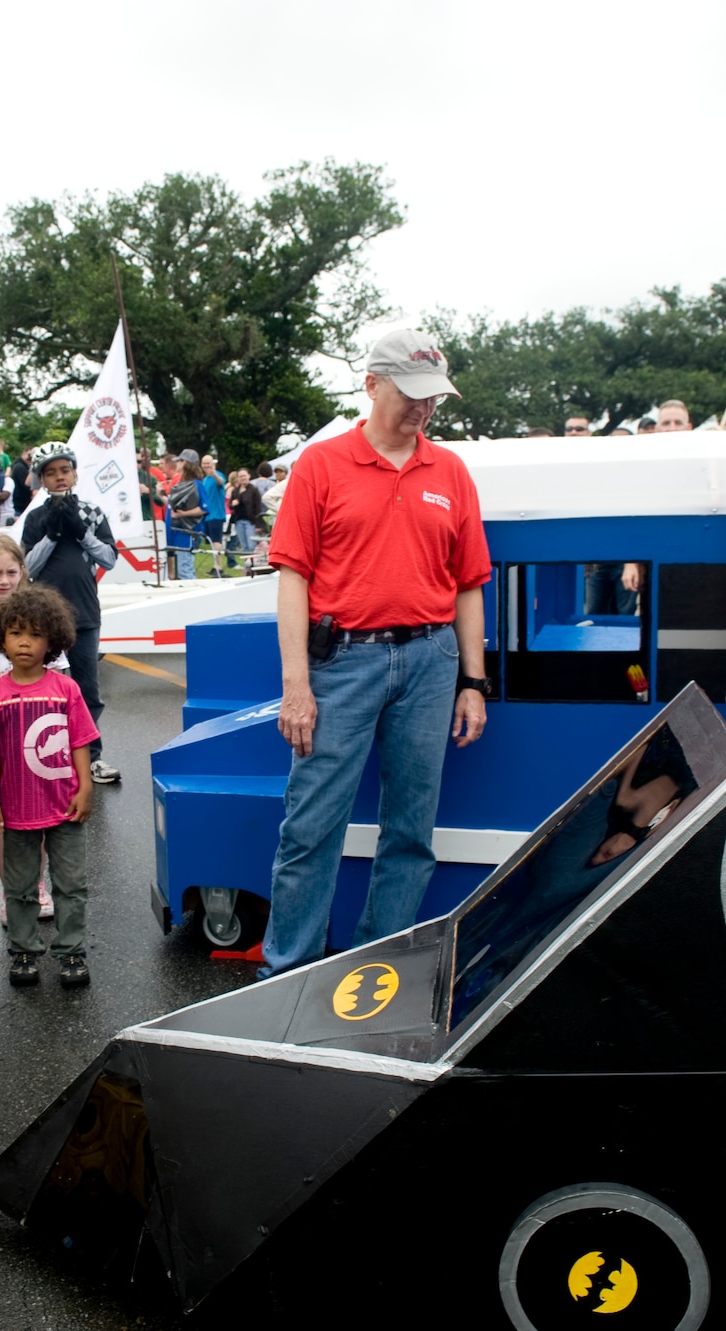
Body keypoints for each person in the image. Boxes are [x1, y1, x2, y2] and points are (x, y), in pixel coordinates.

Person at [260, 329, 491, 977]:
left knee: (412, 831)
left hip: (430, 660)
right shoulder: (321, 464)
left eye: (434, 399)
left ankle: (375, 967)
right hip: (343, 664)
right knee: (311, 826)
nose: (424, 410)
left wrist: (473, 678)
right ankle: (287, 972)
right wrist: (296, 683)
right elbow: (293, 578)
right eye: (412, 396)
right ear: (372, 386)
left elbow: (469, 581)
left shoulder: (449, 470)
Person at [0, 584, 97, 988]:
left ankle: (72, 951)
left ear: (53, 640)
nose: (24, 642)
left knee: (71, 884)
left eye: (34, 634)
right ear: (1, 639)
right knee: (20, 886)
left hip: (64, 805)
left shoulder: (66, 689)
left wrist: (85, 787)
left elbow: (80, 740)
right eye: (15, 633)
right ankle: (24, 951)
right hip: (16, 806)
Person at [0, 533, 69, 930]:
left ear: (23, 570)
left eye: (11, 571)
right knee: (3, 813)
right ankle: (13, 890)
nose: (4, 579)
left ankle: (35, 884)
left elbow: (58, 670)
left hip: (40, 733)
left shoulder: (39, 612)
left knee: (38, 810)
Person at [20, 442, 122, 784]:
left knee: (86, 689)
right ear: (41, 479)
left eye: (65, 470)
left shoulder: (92, 511)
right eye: (50, 473)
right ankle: (51, 755)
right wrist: (51, 534)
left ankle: (92, 757)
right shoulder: (35, 518)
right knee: (46, 687)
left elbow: (108, 558)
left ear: (75, 473)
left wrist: (81, 532)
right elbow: (27, 568)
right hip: (44, 617)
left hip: (84, 613)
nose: (59, 477)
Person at [163, 455, 205, 581]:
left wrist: (183, 514)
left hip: (187, 532)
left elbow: (204, 508)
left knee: (184, 569)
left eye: (181, 461)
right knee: (183, 568)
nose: (177, 464)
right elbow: (172, 505)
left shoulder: (197, 484)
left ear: (188, 464)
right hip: (176, 530)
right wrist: (160, 495)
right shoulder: (183, 483)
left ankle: (196, 597)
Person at [228, 467, 264, 559]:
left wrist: (258, 524)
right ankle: (247, 567)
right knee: (244, 546)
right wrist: (233, 504)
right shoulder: (235, 490)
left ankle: (253, 565)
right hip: (238, 520)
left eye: (244, 476)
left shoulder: (254, 490)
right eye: (240, 476)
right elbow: (230, 505)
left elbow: (258, 507)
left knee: (251, 545)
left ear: (249, 476)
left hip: (250, 521)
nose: (242, 478)